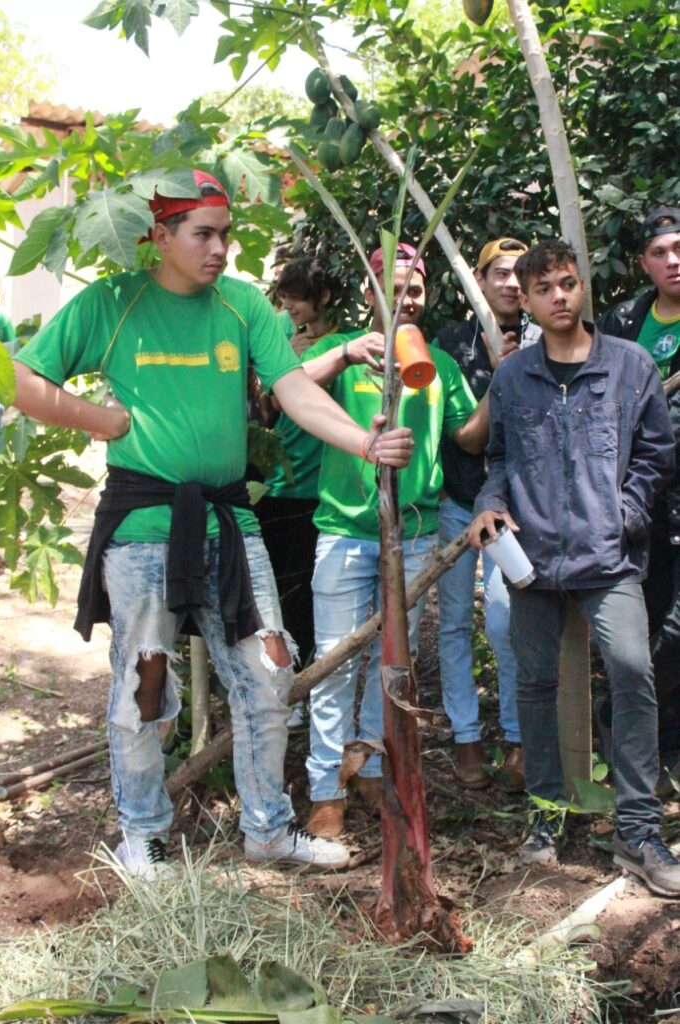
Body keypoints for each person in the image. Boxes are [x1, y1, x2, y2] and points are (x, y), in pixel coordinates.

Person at [10, 169, 414, 879]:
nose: (221, 248)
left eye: (225, 232)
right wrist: (102, 419)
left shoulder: (242, 305)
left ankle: (267, 832)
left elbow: (291, 391)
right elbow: (20, 378)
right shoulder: (112, 302)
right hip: (141, 525)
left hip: (230, 523)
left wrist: (364, 441)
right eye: (203, 234)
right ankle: (145, 836)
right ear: (159, 236)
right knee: (147, 680)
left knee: (267, 672)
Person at [468, 238, 680, 898]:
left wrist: (625, 511)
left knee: (631, 671)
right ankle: (547, 815)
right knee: (534, 684)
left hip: (608, 554)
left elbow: (655, 454)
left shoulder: (629, 366)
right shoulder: (513, 376)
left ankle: (638, 830)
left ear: (580, 287)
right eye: (544, 290)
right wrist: (489, 506)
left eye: (567, 284)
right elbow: (497, 459)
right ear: (525, 301)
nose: (559, 298)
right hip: (531, 560)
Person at [302, 243, 491, 839]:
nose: (405, 298)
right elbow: (284, 389)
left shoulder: (437, 363)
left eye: (415, 288)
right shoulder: (347, 357)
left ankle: (374, 768)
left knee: (393, 664)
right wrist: (341, 352)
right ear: (369, 290)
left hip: (412, 534)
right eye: (393, 286)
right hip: (344, 531)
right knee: (335, 661)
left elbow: (466, 436)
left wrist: (504, 379)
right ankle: (325, 788)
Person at [433, 238, 540, 791]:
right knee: (452, 623)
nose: (511, 285)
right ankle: (466, 737)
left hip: (514, 508)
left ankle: (520, 738)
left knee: (504, 619)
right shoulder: (450, 343)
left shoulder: (544, 334)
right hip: (457, 499)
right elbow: (464, 440)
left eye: (519, 274)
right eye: (498, 274)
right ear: (475, 281)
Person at [597, 206, 680, 791]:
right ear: (643, 262)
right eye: (661, 252)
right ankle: (657, 750)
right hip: (642, 497)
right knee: (647, 613)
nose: (673, 261)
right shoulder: (626, 319)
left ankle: (615, 713)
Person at [256, 257, 342, 671]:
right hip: (277, 477)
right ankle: (280, 676)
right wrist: (288, 358)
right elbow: (267, 401)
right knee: (275, 590)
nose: (290, 311)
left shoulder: (346, 340)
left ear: (322, 297)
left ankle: (304, 676)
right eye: (285, 301)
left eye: (298, 303)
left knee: (306, 589)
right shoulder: (279, 329)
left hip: (319, 485)